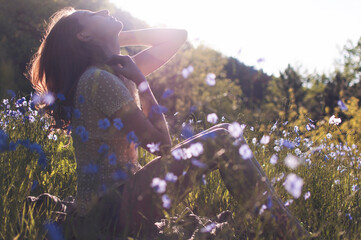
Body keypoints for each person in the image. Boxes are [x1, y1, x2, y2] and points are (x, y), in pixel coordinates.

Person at [28, 7, 309, 239]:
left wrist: (115, 34)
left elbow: (176, 36)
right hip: (110, 213)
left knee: (225, 135)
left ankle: (286, 231)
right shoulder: (99, 80)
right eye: (92, 15)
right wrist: (141, 81)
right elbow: (162, 145)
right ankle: (291, 234)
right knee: (224, 138)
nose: (103, 9)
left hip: (121, 201)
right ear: (84, 34)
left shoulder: (114, 71)